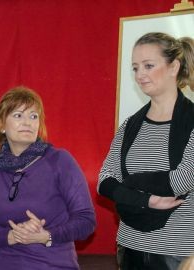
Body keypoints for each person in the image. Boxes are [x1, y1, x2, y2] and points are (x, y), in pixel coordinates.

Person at [97, 32, 194, 270]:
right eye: (135, 68)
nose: (140, 75)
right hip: (129, 249)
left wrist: (127, 184)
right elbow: (104, 182)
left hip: (179, 254)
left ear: (173, 67)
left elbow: (182, 180)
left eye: (149, 66)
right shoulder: (129, 125)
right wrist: (146, 199)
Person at [0, 86, 96, 269]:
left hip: (52, 264)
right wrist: (11, 236)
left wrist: (47, 235)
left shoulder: (60, 161)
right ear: (1, 124)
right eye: (18, 115)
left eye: (33, 116)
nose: (27, 122)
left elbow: (86, 220)